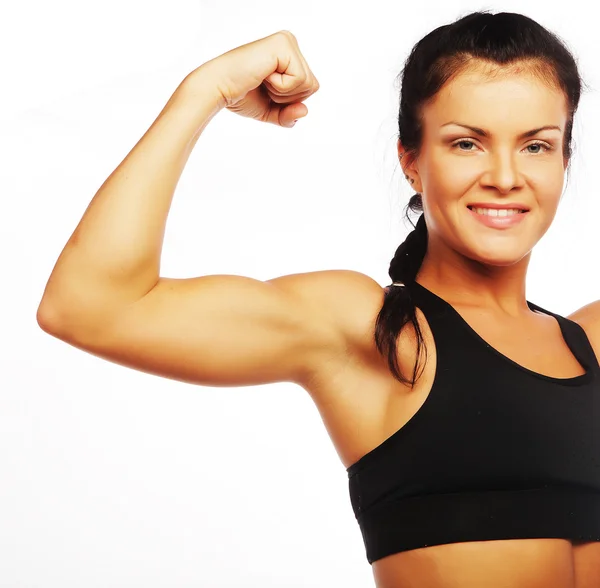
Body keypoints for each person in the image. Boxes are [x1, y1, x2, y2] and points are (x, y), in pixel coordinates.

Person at [36, 9, 600, 588]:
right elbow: (87, 305)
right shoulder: (376, 331)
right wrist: (203, 90)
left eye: (536, 146)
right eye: (466, 143)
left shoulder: (592, 341)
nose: (505, 176)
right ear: (412, 160)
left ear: (565, 160)